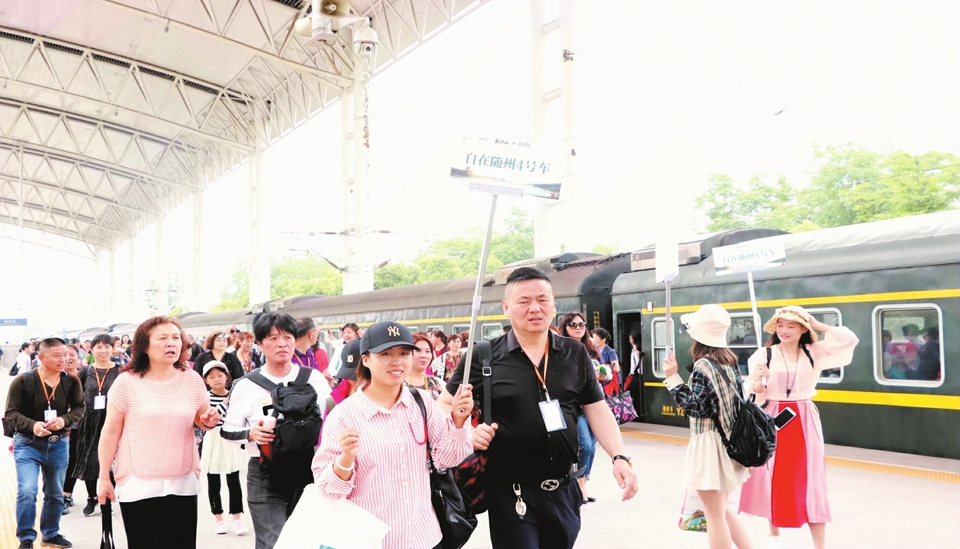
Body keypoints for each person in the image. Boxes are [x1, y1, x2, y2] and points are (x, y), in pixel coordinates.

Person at [440, 267, 638, 549]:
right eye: (524, 301)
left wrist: (619, 457)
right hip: (511, 491)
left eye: (543, 300)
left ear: (554, 305)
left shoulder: (574, 352)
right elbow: (443, 405)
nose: (535, 308)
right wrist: (468, 434)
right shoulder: (484, 356)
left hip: (565, 489)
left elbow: (596, 408)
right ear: (506, 307)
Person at [313, 320, 475, 549]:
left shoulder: (423, 402)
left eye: (404, 353)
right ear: (366, 360)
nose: (397, 361)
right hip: (371, 542)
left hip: (424, 538)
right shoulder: (344, 416)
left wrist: (458, 420)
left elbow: (447, 459)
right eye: (386, 353)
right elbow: (327, 490)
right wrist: (345, 460)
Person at [96, 316, 222, 549]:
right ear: (144, 346)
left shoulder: (192, 379)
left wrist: (207, 421)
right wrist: (104, 478)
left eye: (176, 338)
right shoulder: (126, 383)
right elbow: (110, 432)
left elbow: (201, 418)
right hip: (138, 484)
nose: (171, 343)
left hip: (183, 481)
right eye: (162, 338)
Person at [739, 305, 859, 549]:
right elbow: (753, 391)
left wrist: (816, 324)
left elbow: (849, 339)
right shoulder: (764, 355)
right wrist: (760, 380)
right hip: (772, 417)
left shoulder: (814, 352)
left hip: (804, 417)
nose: (784, 330)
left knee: (811, 477)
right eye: (780, 325)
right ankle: (774, 534)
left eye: (791, 325)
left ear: (803, 329)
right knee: (771, 474)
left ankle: (819, 545)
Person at [220, 312, 332, 549]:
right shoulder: (246, 385)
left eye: (288, 337)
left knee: (305, 542)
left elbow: (331, 421)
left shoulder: (313, 379)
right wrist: (250, 433)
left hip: (309, 471)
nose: (282, 344)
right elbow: (227, 430)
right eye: (273, 338)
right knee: (273, 543)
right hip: (265, 472)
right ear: (260, 344)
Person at [663, 304, 753, 549]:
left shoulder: (703, 365)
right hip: (728, 441)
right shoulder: (729, 361)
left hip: (709, 445)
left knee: (714, 515)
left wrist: (673, 377)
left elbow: (695, 406)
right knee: (721, 510)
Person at [5, 337, 86, 549]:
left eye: (66, 355)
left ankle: (51, 533)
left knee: (55, 493)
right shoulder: (23, 381)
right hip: (28, 443)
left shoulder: (71, 381)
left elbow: (80, 407)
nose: (63, 359)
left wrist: (64, 420)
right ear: (41, 357)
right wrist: (33, 425)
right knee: (27, 491)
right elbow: (11, 413)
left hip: (58, 444)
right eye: (57, 355)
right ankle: (26, 538)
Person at [64, 334, 121, 518]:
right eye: (99, 347)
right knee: (88, 459)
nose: (103, 350)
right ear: (92, 349)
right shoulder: (85, 371)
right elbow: (73, 396)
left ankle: (106, 497)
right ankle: (92, 496)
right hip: (87, 423)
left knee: (109, 462)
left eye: (107, 347)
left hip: (111, 422)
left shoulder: (120, 372)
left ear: (113, 348)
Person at [199, 361, 248, 536]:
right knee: (213, 480)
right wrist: (226, 402)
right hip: (213, 438)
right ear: (206, 380)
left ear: (226, 376)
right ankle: (218, 519)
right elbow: (211, 417)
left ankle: (237, 518)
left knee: (233, 479)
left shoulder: (234, 396)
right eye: (212, 377)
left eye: (220, 375)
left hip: (230, 437)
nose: (217, 379)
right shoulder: (205, 397)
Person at [558, 312, 602, 505]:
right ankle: (578, 484)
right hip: (574, 406)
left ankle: (583, 482)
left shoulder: (590, 349)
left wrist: (602, 376)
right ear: (565, 327)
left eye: (581, 324)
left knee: (592, 446)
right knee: (585, 445)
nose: (578, 328)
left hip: (592, 405)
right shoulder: (561, 350)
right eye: (573, 324)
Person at [407, 332, 445, 400]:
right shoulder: (398, 385)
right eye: (418, 351)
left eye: (427, 351)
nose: (424, 356)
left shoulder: (438, 384)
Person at [626, 332, 644, 419]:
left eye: (631, 339)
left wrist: (632, 371)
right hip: (635, 373)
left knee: (632, 392)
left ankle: (635, 412)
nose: (630, 341)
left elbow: (636, 362)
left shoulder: (636, 349)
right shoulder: (634, 348)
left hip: (637, 374)